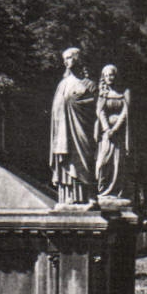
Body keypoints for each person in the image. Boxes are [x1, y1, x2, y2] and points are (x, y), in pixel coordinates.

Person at [49, 47, 98, 206]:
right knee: (68, 159)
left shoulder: (89, 85)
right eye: (65, 58)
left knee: (84, 159)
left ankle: (89, 197)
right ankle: (68, 196)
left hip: (82, 128)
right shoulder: (62, 84)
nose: (66, 61)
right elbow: (56, 108)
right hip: (64, 131)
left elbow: (96, 108)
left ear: (78, 59)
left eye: (70, 57)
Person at [94, 64, 132, 202]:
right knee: (103, 163)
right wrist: (106, 129)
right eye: (106, 75)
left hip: (119, 134)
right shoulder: (102, 93)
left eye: (112, 75)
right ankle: (103, 190)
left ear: (116, 76)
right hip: (106, 134)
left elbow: (126, 112)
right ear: (103, 77)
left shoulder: (124, 92)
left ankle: (116, 192)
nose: (109, 78)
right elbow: (100, 111)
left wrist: (115, 129)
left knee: (118, 163)